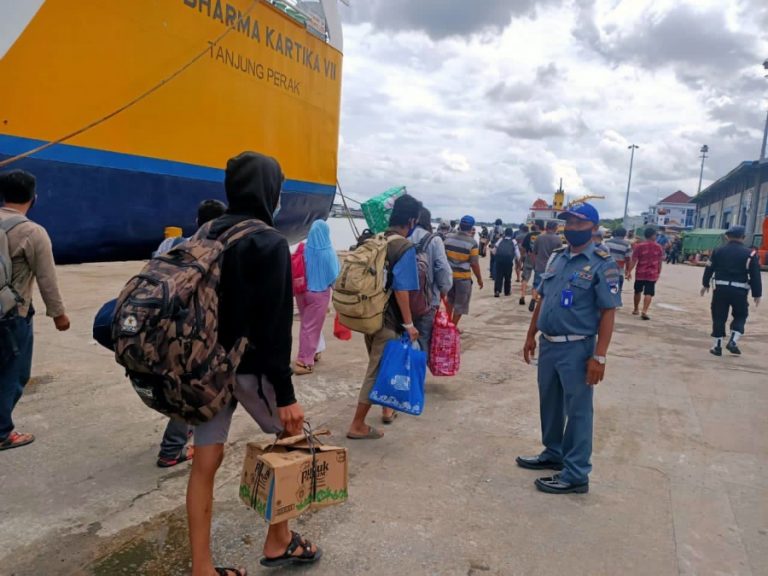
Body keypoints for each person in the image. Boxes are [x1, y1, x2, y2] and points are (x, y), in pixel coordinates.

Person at [187, 152, 318, 574]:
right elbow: (277, 326)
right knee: (292, 440)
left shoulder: (206, 231)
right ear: (271, 190)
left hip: (205, 367)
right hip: (250, 369)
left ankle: (203, 568)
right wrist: (286, 394)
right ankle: (278, 540)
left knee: (205, 464)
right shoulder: (269, 241)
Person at [518, 202, 621, 494]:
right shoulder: (556, 258)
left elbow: (608, 312)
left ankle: (576, 474)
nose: (572, 228)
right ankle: (554, 453)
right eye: (568, 223)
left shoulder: (603, 263)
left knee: (577, 412)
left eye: (578, 223)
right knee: (549, 403)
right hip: (548, 345)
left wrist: (599, 356)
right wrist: (530, 335)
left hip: (577, 348)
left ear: (593, 227)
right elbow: (542, 299)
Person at [0, 170, 70, 451]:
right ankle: (3, 432)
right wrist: (59, 315)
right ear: (33, 197)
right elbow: (46, 278)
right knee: (12, 374)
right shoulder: (32, 231)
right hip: (11, 315)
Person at [153, 199, 226, 467]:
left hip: (158, 326)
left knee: (171, 383)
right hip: (189, 333)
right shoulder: (215, 251)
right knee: (189, 388)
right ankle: (171, 450)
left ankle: (181, 433)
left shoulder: (169, 245)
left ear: (196, 221)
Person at [347, 194, 421, 439]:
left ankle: (387, 410)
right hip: (388, 320)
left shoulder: (376, 238)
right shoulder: (404, 247)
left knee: (381, 365)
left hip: (369, 314)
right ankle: (357, 424)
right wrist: (409, 324)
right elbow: (402, 289)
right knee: (377, 370)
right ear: (411, 220)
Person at [701, 225, 762, 356]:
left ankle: (717, 346)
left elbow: (709, 268)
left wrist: (705, 283)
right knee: (741, 315)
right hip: (740, 290)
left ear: (727, 237)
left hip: (720, 289)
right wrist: (757, 294)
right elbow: (755, 275)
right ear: (744, 238)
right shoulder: (750, 254)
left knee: (719, 316)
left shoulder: (717, 251)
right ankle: (733, 341)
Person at [294, 220, 340, 375]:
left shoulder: (302, 248)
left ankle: (314, 351)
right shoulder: (328, 252)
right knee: (312, 327)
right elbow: (335, 277)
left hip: (301, 292)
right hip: (319, 294)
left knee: (306, 325)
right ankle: (304, 362)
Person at [411, 208, 453, 358]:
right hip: (427, 301)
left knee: (402, 339)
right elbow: (442, 268)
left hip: (401, 299)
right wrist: (444, 290)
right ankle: (417, 378)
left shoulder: (402, 237)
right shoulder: (434, 240)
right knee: (422, 341)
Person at [444, 215, 484, 328]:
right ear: (471, 227)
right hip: (463, 279)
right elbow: (474, 264)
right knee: (460, 305)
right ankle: (452, 327)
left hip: (448, 277)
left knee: (449, 302)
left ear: (460, 225)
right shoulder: (472, 243)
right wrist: (479, 279)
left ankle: (447, 326)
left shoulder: (448, 238)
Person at [627, 227, 665, 320]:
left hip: (640, 272)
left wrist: (629, 271)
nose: (656, 236)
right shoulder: (659, 247)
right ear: (652, 236)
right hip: (652, 274)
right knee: (649, 292)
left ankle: (636, 309)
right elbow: (660, 261)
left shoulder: (639, 246)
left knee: (637, 291)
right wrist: (659, 272)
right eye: (655, 235)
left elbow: (634, 260)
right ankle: (644, 311)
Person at [530, 220, 563, 311]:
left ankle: (533, 298)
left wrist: (534, 264)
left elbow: (534, 253)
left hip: (539, 265)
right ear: (555, 228)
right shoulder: (558, 239)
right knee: (548, 287)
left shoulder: (539, 238)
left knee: (536, 284)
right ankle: (542, 304)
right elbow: (559, 255)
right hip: (551, 268)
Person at [492, 228, 519, 297]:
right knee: (508, 276)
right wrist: (519, 261)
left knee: (499, 276)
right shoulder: (514, 241)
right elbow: (517, 253)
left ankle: (497, 291)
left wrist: (496, 257)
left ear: (505, 233)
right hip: (508, 261)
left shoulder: (501, 239)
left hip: (499, 261)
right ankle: (507, 292)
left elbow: (494, 250)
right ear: (512, 234)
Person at [604, 227, 632, 292]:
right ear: (625, 235)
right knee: (616, 293)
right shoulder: (627, 245)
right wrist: (627, 271)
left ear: (615, 233)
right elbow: (628, 259)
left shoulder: (607, 242)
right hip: (618, 273)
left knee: (605, 292)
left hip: (605, 272)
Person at [519, 223, 540, 306]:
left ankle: (522, 296)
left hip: (529, 257)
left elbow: (523, 248)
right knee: (537, 279)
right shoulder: (541, 236)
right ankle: (534, 297)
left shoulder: (528, 235)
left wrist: (522, 257)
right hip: (538, 259)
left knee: (525, 277)